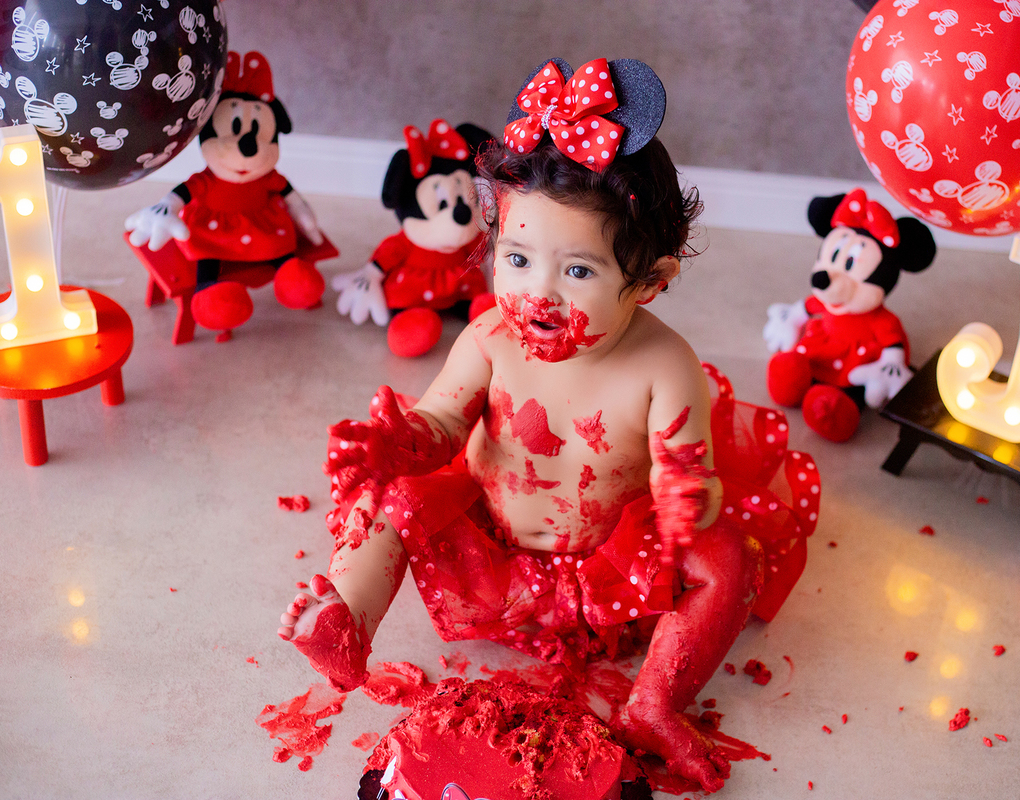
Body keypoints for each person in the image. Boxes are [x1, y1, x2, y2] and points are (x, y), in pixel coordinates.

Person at [278, 58, 817, 792]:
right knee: (392, 495)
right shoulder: (490, 337)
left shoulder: (665, 366)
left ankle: (654, 701)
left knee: (726, 557)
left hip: (611, 579)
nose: (538, 292)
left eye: (580, 272)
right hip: (494, 562)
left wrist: (688, 496)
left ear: (652, 279)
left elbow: (683, 472)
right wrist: (404, 442)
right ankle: (346, 624)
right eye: (519, 257)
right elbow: (441, 417)